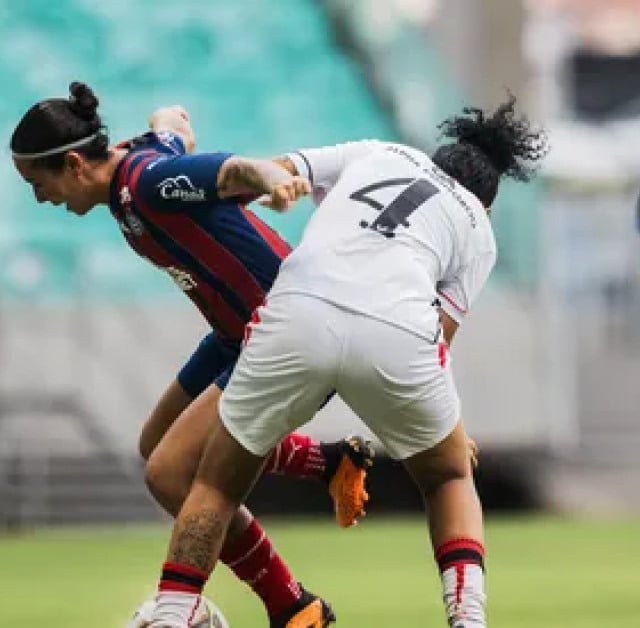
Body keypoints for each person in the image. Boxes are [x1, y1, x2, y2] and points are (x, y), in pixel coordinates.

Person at [142, 97, 548, 628]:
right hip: (398, 332)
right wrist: (446, 431)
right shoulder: (478, 227)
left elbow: (278, 171)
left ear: (436, 157)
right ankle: (468, 619)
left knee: (216, 484)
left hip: (299, 311)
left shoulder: (380, 152)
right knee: (449, 476)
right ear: (487, 204)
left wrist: (273, 187)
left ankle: (172, 614)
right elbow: (439, 337)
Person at [10, 81, 377, 628]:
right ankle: (326, 464)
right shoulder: (138, 166)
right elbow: (173, 129)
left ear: (73, 163)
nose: (41, 199)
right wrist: (168, 117)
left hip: (282, 332)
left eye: (38, 184)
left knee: (169, 474)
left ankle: (291, 606)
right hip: (234, 334)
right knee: (154, 443)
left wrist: (273, 179)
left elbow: (230, 171)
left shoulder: (148, 182)